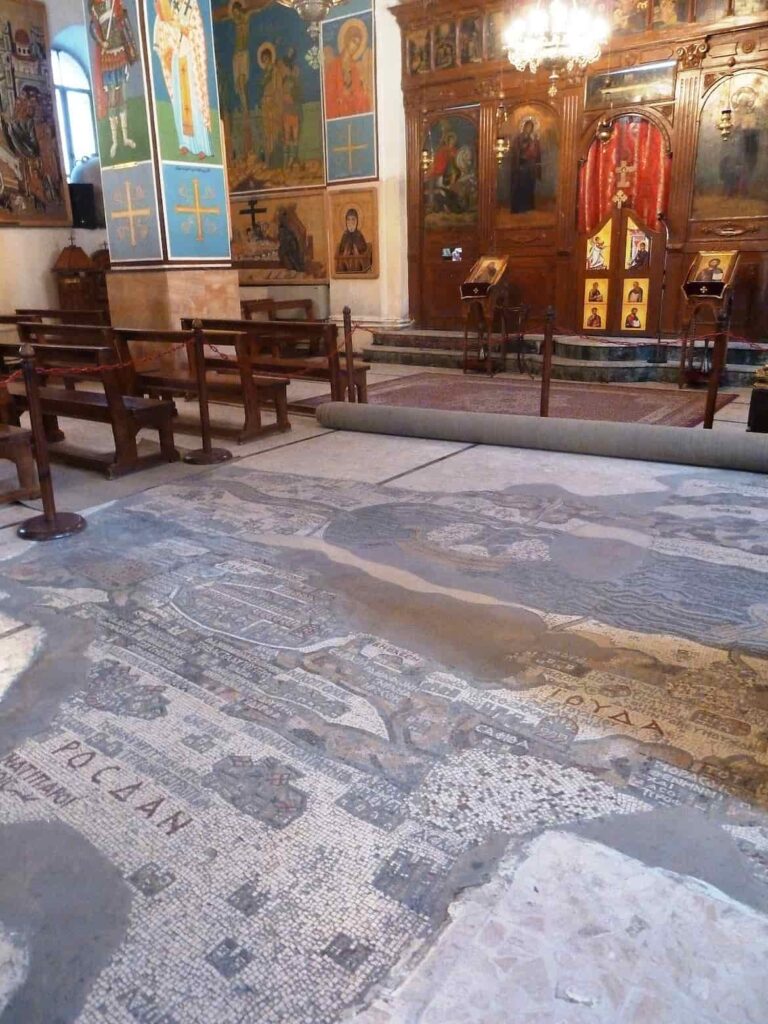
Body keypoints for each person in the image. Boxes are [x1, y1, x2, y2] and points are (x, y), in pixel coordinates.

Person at [153, 0, 213, 160]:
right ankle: (184, 142)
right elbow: (162, 23)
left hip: (189, 54)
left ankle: (202, 145)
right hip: (176, 55)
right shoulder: (169, 4)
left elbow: (196, 29)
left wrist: (184, 30)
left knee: (194, 99)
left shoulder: (191, 3)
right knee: (179, 100)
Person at [89, 0, 139, 160]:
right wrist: (101, 41)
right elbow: (93, 28)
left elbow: (123, 22)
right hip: (108, 57)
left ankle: (125, 138)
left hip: (120, 54)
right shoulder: (96, 6)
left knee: (123, 97)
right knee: (111, 99)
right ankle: (115, 141)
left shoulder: (115, 2)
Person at [324, 19, 372, 120]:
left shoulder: (354, 69)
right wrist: (341, 96)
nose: (355, 47)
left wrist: (359, 95)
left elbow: (358, 93)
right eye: (354, 41)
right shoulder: (334, 66)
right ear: (347, 40)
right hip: (338, 112)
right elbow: (328, 94)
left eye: (358, 44)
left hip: (351, 111)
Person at [510, 118, 542, 214]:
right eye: (527, 127)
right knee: (520, 187)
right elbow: (516, 151)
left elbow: (537, 153)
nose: (529, 129)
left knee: (529, 186)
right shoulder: (518, 139)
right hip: (521, 166)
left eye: (531, 128)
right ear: (523, 127)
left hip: (530, 167)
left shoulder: (533, 139)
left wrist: (535, 143)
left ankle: (528, 207)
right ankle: (519, 208)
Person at [337, 208, 371, 273]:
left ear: (357, 221)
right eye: (348, 220)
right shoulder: (344, 235)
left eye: (353, 219)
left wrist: (356, 249)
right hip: (346, 264)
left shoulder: (359, 235)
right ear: (346, 221)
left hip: (358, 264)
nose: (351, 222)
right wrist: (347, 249)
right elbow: (341, 250)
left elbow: (364, 249)